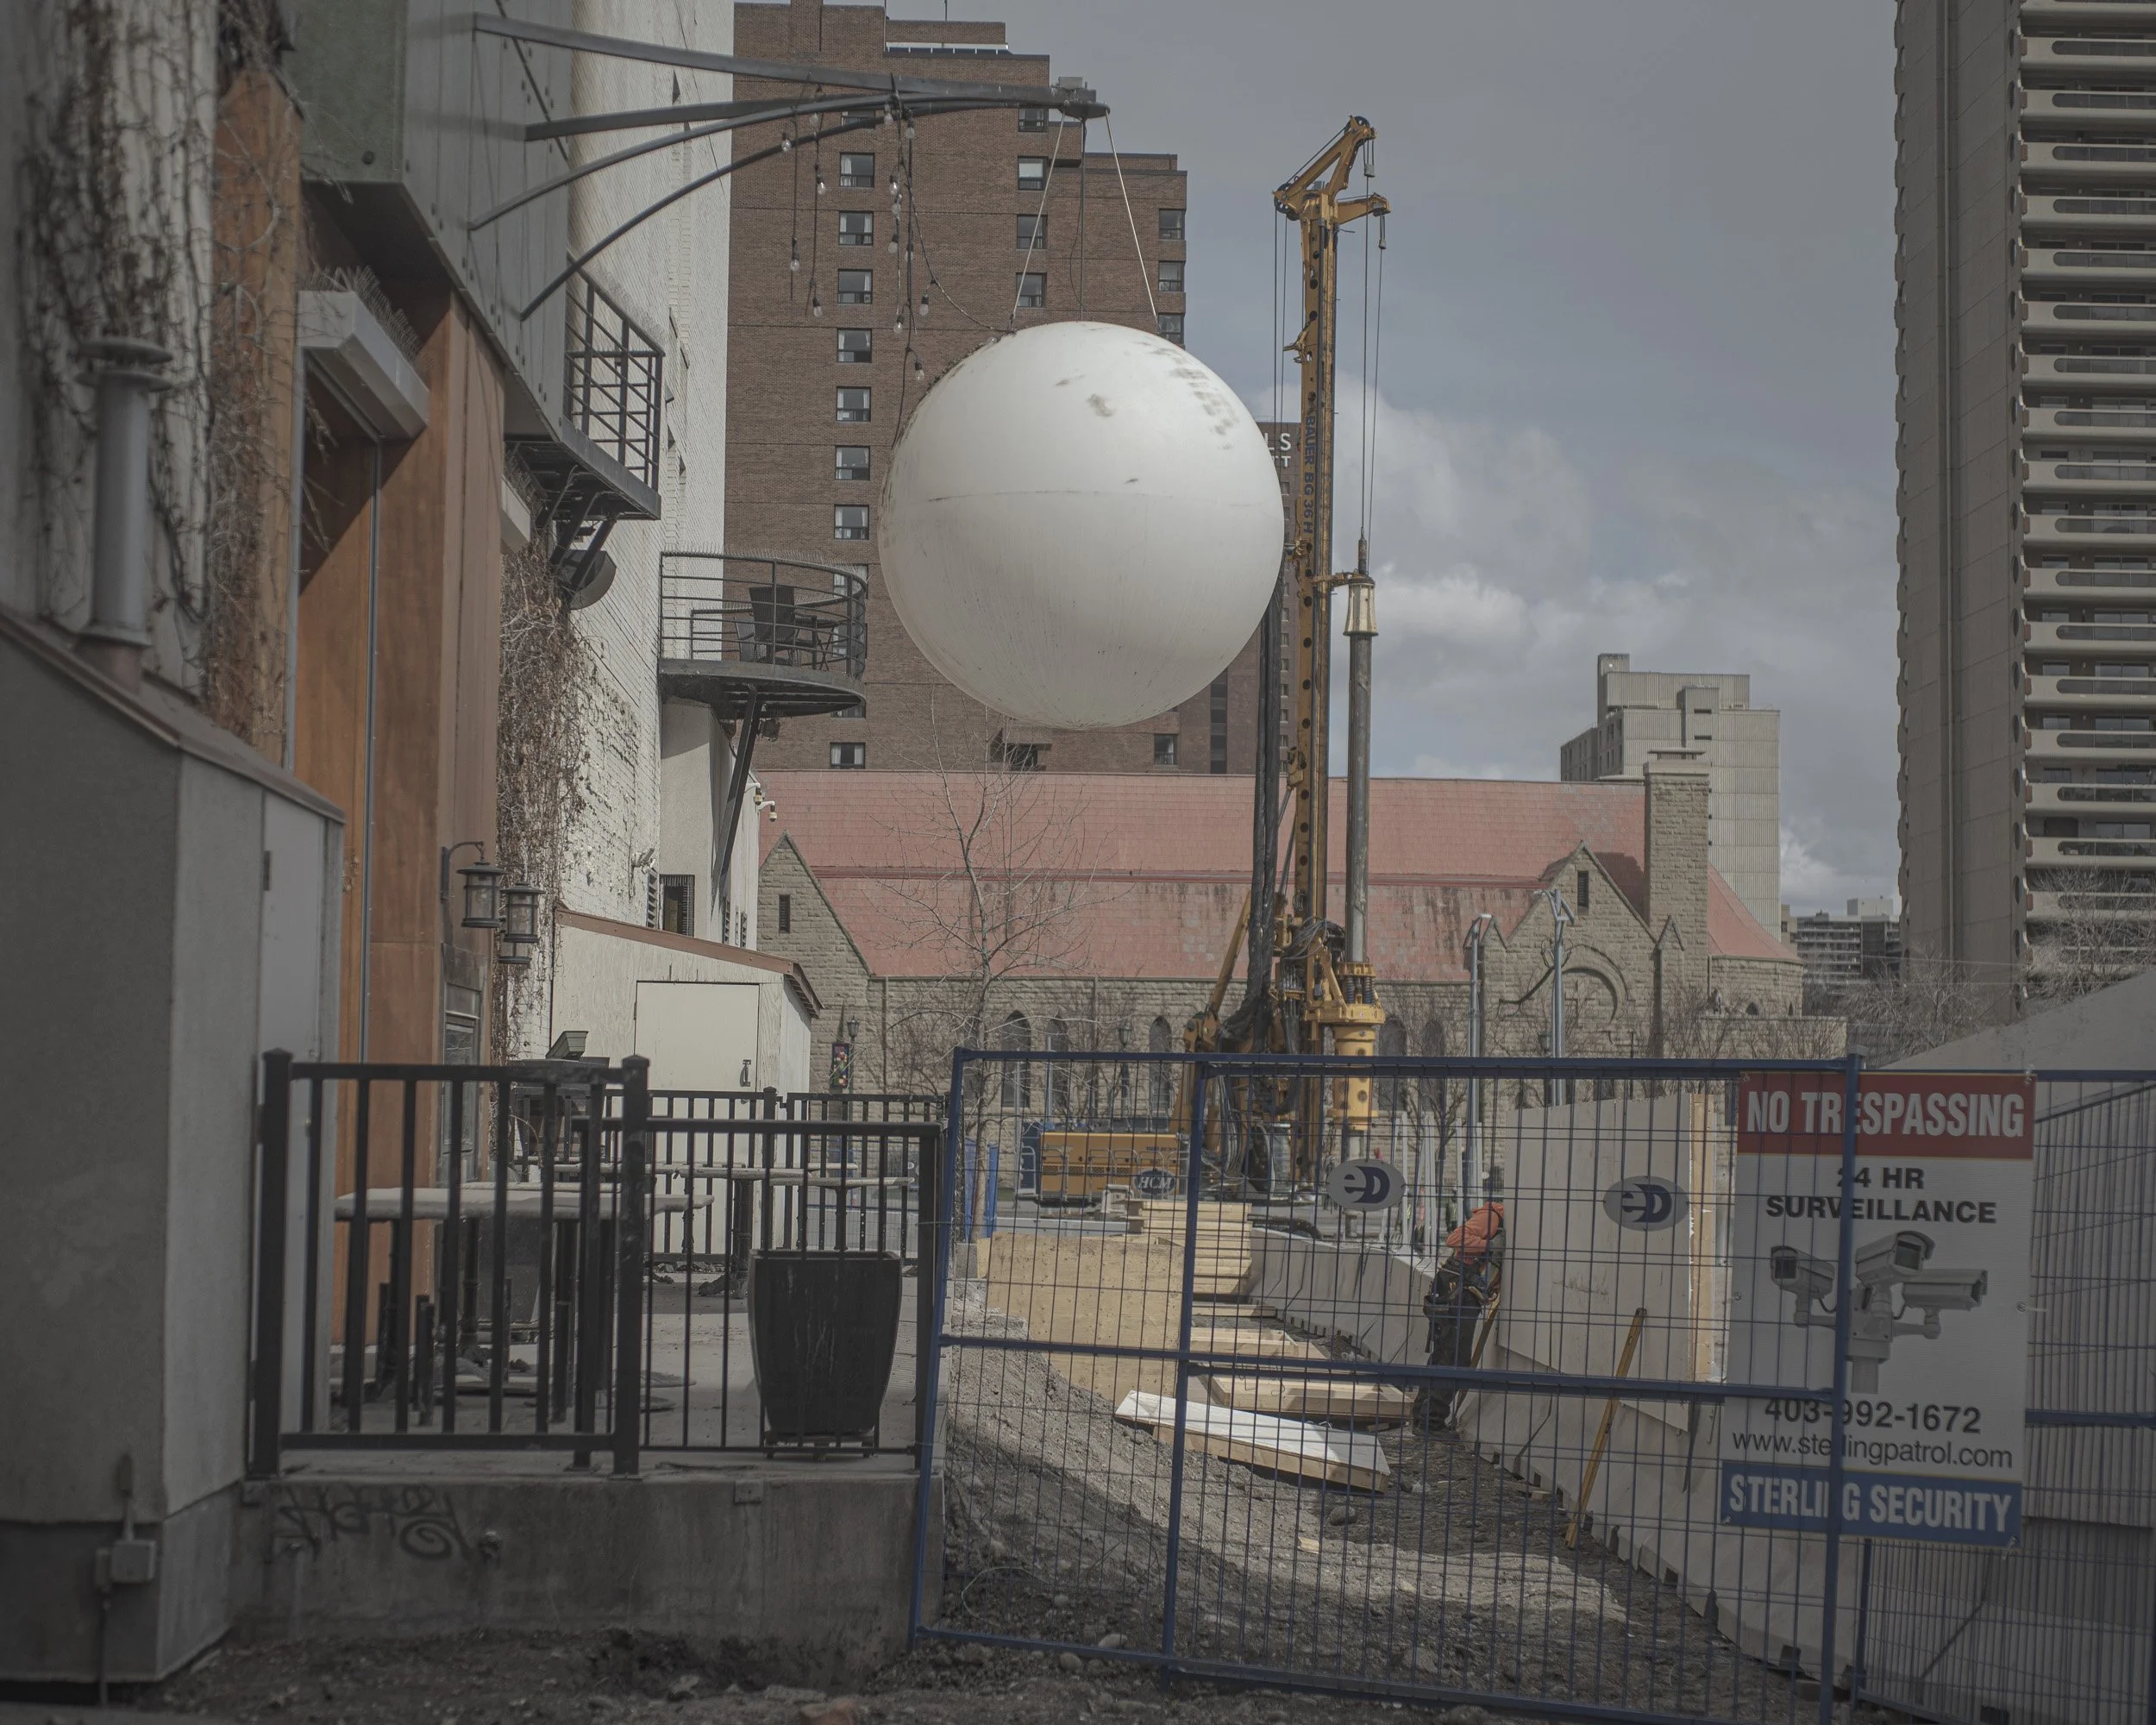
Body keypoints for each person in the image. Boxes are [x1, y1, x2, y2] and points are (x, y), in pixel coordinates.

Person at [1421, 1200, 1503, 1427]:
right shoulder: (1493, 1217)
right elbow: (1454, 1238)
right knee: (1454, 1358)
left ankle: (1424, 1417)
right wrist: (1487, 1247)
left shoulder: (1502, 1221)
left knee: (1444, 1356)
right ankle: (1432, 1421)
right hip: (1458, 1293)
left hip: (1461, 1293)